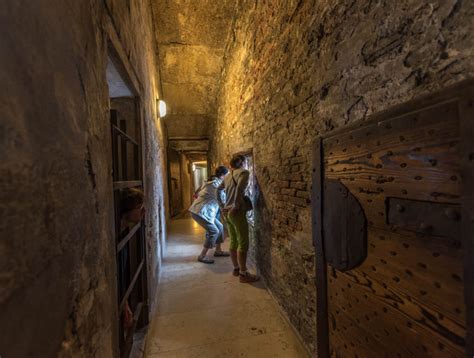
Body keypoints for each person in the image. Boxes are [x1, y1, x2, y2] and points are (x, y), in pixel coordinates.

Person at [218, 155, 259, 283]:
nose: (246, 163)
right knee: (243, 241)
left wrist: (222, 205)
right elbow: (240, 188)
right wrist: (235, 205)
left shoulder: (228, 176)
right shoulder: (244, 173)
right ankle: (243, 273)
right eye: (245, 161)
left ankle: (236, 269)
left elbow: (218, 190)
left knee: (234, 240)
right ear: (241, 162)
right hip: (236, 211)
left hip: (227, 212)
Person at [189, 166, 230, 264]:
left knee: (220, 227)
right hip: (200, 212)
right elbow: (223, 200)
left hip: (204, 211)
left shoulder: (211, 182)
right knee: (214, 231)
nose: (228, 177)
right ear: (222, 176)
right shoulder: (215, 185)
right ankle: (202, 256)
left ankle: (218, 251)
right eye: (227, 175)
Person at [119, 188, 145, 332]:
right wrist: (125, 305)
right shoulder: (119, 240)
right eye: (139, 207)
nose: (143, 211)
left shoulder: (123, 236)